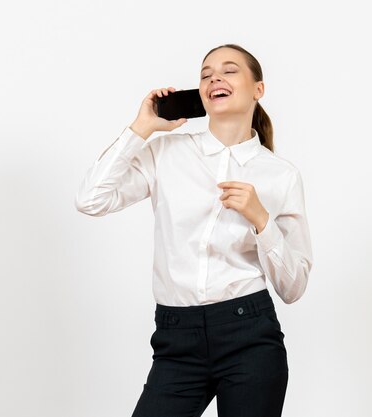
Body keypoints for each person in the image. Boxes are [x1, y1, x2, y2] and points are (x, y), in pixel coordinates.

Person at [75, 43, 313, 417]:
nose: (215, 77)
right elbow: (91, 199)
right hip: (175, 338)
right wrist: (142, 127)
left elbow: (293, 286)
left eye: (230, 70)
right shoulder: (166, 152)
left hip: (249, 336)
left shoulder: (280, 175)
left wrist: (261, 220)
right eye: (206, 74)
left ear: (258, 89)